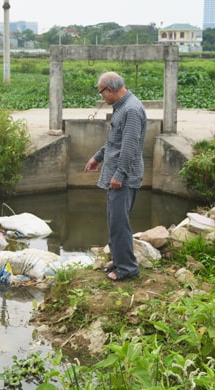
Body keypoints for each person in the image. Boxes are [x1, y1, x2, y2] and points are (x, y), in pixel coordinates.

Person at [84, 71, 147, 281]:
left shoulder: (131, 110)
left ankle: (127, 269)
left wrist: (119, 175)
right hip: (117, 174)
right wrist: (97, 157)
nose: (101, 96)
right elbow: (115, 141)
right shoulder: (122, 108)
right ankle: (120, 261)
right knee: (115, 221)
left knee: (120, 224)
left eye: (101, 92)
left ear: (109, 90)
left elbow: (129, 148)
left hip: (124, 178)